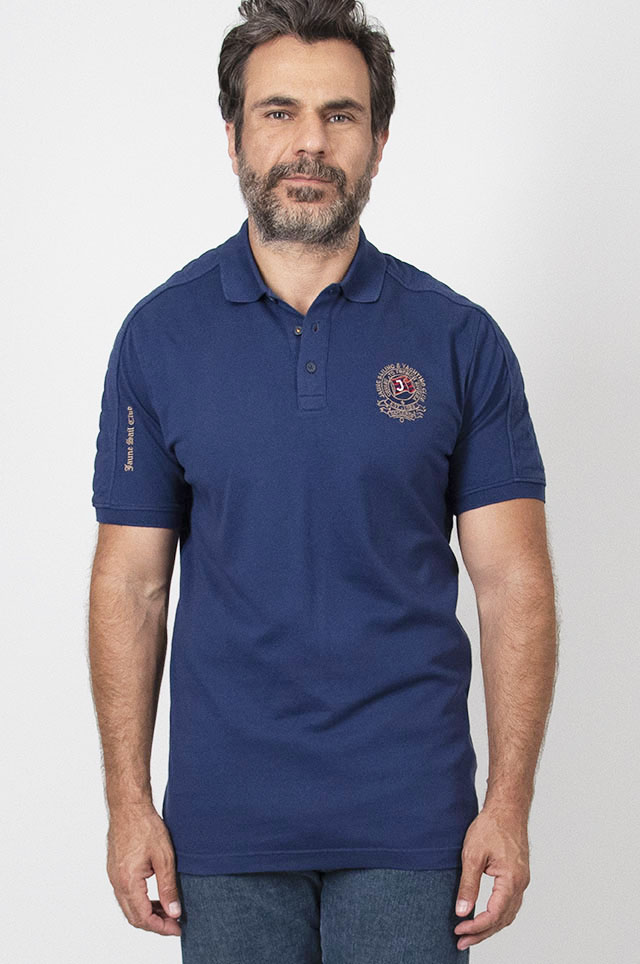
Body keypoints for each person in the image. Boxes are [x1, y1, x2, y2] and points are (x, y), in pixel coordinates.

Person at [88, 1, 558, 961]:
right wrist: (127, 804)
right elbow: (131, 584)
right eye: (279, 112)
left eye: (341, 115)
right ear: (233, 136)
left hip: (413, 825)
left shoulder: (459, 339)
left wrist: (508, 805)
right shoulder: (159, 337)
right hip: (223, 830)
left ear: (379, 142)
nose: (310, 142)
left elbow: (514, 584)